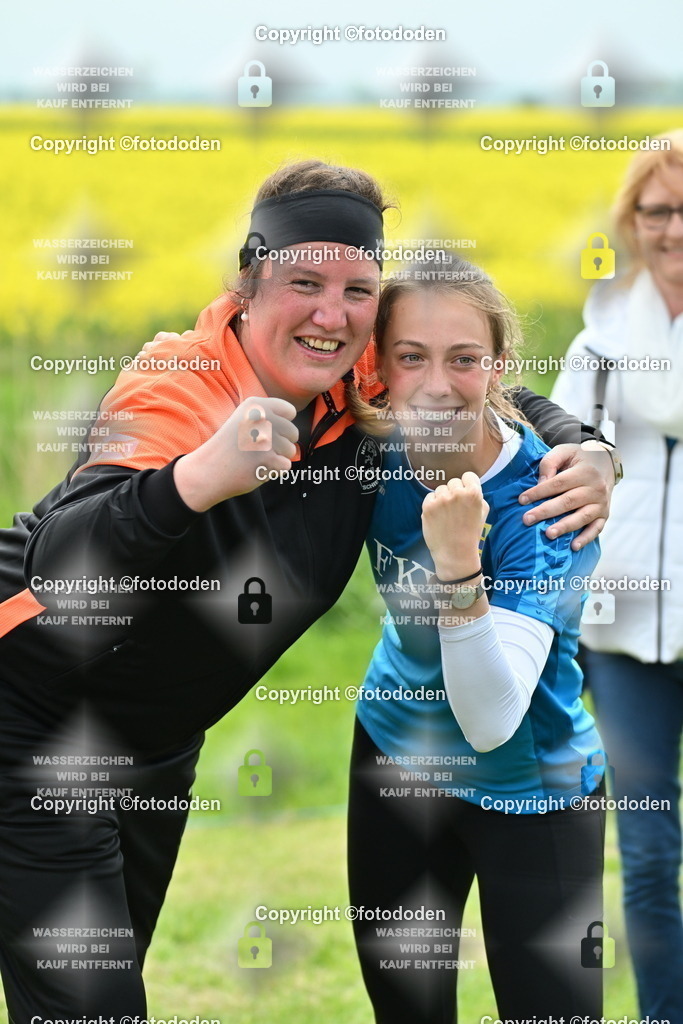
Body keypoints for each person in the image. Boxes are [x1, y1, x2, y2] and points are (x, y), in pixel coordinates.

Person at [0, 160, 615, 1021]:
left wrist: (587, 447)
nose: (330, 315)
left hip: (157, 742)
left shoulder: (355, 381)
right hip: (32, 719)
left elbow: (471, 383)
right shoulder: (179, 382)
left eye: (356, 290)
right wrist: (195, 478)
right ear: (249, 282)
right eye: (304, 283)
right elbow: (61, 570)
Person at [347, 260, 607, 1023]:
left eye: (463, 358)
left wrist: (460, 564)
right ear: (379, 366)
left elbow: (490, 718)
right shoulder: (368, 444)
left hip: (532, 792)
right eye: (410, 356)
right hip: (395, 756)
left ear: (497, 366)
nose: (434, 385)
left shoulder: (547, 504)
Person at [550, 129, 683, 1024]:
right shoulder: (599, 340)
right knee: (644, 849)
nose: (675, 228)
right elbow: (554, 475)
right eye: (657, 209)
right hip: (622, 635)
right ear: (631, 222)